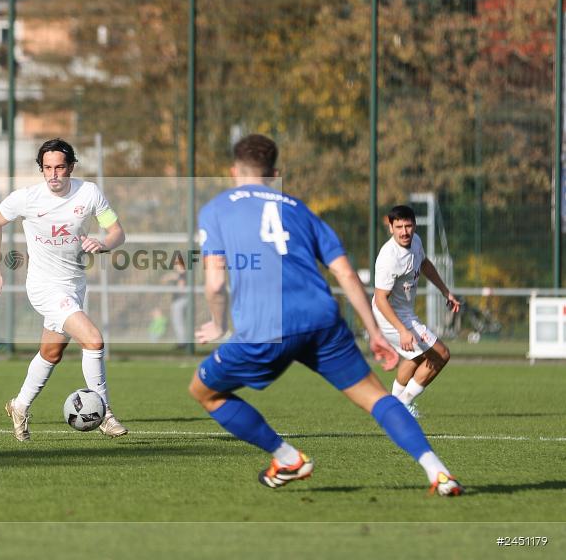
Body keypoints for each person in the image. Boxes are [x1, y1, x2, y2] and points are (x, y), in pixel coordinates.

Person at [188, 134, 463, 496]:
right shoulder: (299, 209)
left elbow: (215, 281)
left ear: (233, 171)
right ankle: (437, 471)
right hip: (323, 320)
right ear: (275, 173)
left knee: (204, 390)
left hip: (266, 327)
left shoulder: (216, 209)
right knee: (377, 398)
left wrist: (219, 322)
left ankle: (287, 457)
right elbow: (346, 273)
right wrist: (374, 332)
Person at [0, 138, 128, 441]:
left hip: (74, 285)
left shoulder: (88, 194)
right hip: (43, 286)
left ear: (71, 167)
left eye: (60, 167)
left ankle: (19, 405)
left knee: (51, 353)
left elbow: (117, 232)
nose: (53, 174)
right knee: (93, 340)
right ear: (41, 169)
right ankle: (105, 414)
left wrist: (103, 243)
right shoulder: (26, 199)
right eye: (47, 168)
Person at [372, 205, 461, 418]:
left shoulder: (416, 242)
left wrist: (445, 291)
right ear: (391, 227)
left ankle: (394, 406)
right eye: (399, 227)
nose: (404, 232)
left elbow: (425, 264)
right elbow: (382, 299)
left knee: (416, 356)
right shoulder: (388, 258)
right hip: (390, 315)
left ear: (414, 225)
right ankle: (402, 405)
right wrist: (402, 330)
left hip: (404, 313)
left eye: (408, 226)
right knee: (441, 354)